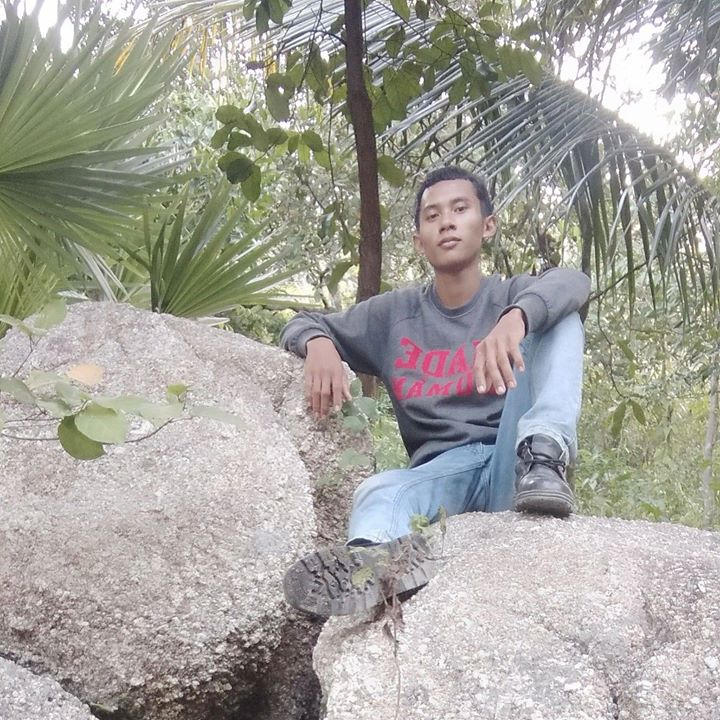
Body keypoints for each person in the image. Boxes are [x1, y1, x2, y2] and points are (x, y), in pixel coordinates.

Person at [280, 166, 590, 616]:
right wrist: (319, 342)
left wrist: (518, 317)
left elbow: (574, 282)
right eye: (432, 215)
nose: (446, 222)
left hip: (514, 461)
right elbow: (302, 321)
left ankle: (546, 454)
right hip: (442, 474)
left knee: (558, 313)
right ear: (418, 240)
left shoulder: (511, 294)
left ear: (487, 225)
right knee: (379, 492)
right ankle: (374, 570)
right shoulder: (395, 315)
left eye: (460, 209)